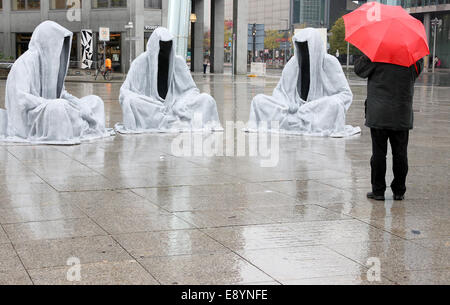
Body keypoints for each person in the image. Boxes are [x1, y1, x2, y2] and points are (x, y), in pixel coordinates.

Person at [0, 21, 110, 144]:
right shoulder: (24, 63)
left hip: (54, 106)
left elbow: (62, 94)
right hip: (33, 115)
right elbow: (21, 98)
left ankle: (80, 125)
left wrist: (79, 105)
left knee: (95, 102)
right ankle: (77, 125)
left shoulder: (52, 66)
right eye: (56, 45)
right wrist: (51, 103)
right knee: (59, 107)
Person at [247, 28, 360, 137]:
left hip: (317, 111)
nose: (304, 51)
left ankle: (300, 121)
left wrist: (314, 106)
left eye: (307, 47)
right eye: (300, 47)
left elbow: (345, 95)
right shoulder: (293, 63)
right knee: (259, 101)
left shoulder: (329, 62)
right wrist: (289, 106)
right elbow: (280, 92)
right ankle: (297, 121)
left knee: (335, 105)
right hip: (292, 110)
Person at [116, 27, 222, 133]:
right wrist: (148, 102)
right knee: (130, 101)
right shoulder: (140, 62)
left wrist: (180, 103)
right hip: (152, 107)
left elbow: (192, 90)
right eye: (162, 47)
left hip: (176, 105)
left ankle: (169, 119)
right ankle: (168, 119)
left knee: (207, 100)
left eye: (168, 46)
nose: (165, 51)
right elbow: (125, 92)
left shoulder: (178, 62)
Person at [355, 54, 424, 201]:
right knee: (400, 153)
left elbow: (359, 70)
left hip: (379, 113)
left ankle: (378, 191)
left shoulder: (377, 53)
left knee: (379, 153)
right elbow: (417, 71)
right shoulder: (411, 54)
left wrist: (367, 55)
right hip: (401, 112)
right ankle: (399, 191)